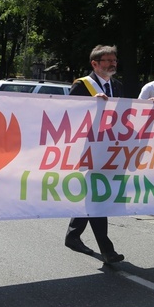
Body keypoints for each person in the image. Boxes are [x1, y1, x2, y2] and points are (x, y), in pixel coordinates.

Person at [65, 44, 124, 264]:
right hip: (87, 150)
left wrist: (152, 107)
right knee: (99, 196)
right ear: (95, 64)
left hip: (109, 150)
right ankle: (107, 251)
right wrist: (91, 104)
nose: (112, 64)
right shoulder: (82, 86)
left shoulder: (117, 86)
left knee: (95, 195)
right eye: (108, 60)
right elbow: (69, 115)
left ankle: (73, 235)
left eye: (114, 60)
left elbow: (124, 116)